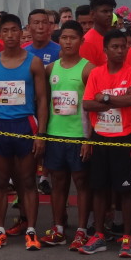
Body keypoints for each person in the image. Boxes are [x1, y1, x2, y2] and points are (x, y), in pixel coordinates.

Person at [0, 12, 48, 251]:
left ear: (22, 33)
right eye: (5, 31)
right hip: (0, 126)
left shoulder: (33, 62)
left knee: (28, 181)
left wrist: (41, 133)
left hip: (25, 126)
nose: (10, 35)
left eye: (14, 30)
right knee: (1, 181)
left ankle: (31, 230)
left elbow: (42, 99)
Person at [81, 29, 131, 256]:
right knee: (98, 188)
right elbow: (87, 104)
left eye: (123, 46)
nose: (120, 50)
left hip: (124, 138)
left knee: (125, 190)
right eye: (115, 47)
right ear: (105, 50)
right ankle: (98, 235)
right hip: (100, 137)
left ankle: (127, 237)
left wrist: (105, 98)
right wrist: (118, 101)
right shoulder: (97, 73)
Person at [39, 20, 92, 247]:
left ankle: (81, 229)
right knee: (58, 183)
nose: (68, 42)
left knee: (81, 183)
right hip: (55, 134)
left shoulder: (88, 69)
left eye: (73, 38)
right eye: (64, 38)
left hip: (79, 135)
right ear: (59, 40)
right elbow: (43, 101)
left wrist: (88, 139)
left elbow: (91, 108)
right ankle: (58, 227)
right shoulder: (51, 69)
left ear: (81, 40)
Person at [79, 0, 116, 67]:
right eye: (105, 11)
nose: (109, 15)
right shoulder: (87, 42)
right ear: (92, 14)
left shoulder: (114, 38)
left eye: (111, 11)